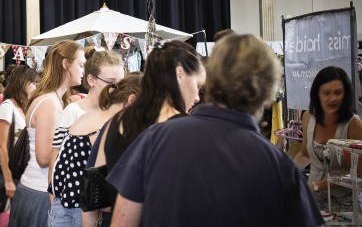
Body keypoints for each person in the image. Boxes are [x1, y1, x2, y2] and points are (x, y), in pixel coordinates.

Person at [108, 34, 324, 227]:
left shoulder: (154, 139)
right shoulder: (279, 167)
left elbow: (123, 221)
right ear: (269, 91)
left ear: (211, 79)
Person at [82, 41, 204, 226]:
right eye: (197, 85)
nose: (197, 97)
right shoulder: (182, 129)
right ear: (179, 75)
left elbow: (92, 195)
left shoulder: (117, 121)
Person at [9, 40, 85, 227]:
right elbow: (44, 158)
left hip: (37, 189)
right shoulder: (49, 103)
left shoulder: (54, 100)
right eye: (81, 64)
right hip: (39, 191)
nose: (84, 70)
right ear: (66, 64)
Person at [49, 73, 140, 227]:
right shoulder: (110, 126)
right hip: (79, 212)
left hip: (62, 207)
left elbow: (58, 167)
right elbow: (99, 187)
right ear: (132, 100)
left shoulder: (90, 116)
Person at [49, 50, 125, 194]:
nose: (118, 89)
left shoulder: (117, 112)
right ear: (91, 80)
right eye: (111, 82)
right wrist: (54, 200)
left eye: (122, 83)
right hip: (74, 202)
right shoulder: (73, 112)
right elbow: (56, 159)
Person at [293, 65, 362, 213]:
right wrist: (288, 172)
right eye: (326, 93)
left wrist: (319, 185)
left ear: (346, 94)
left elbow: (359, 173)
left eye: (338, 92)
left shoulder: (354, 125)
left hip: (346, 204)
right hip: (312, 199)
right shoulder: (308, 117)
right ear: (317, 94)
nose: (332, 98)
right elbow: (305, 154)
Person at [0, 65, 38, 203]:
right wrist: (7, 180)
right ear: (22, 82)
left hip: (25, 171)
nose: (35, 87)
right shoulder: (7, 107)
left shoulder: (24, 107)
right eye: (33, 83)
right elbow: (1, 147)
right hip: (12, 172)